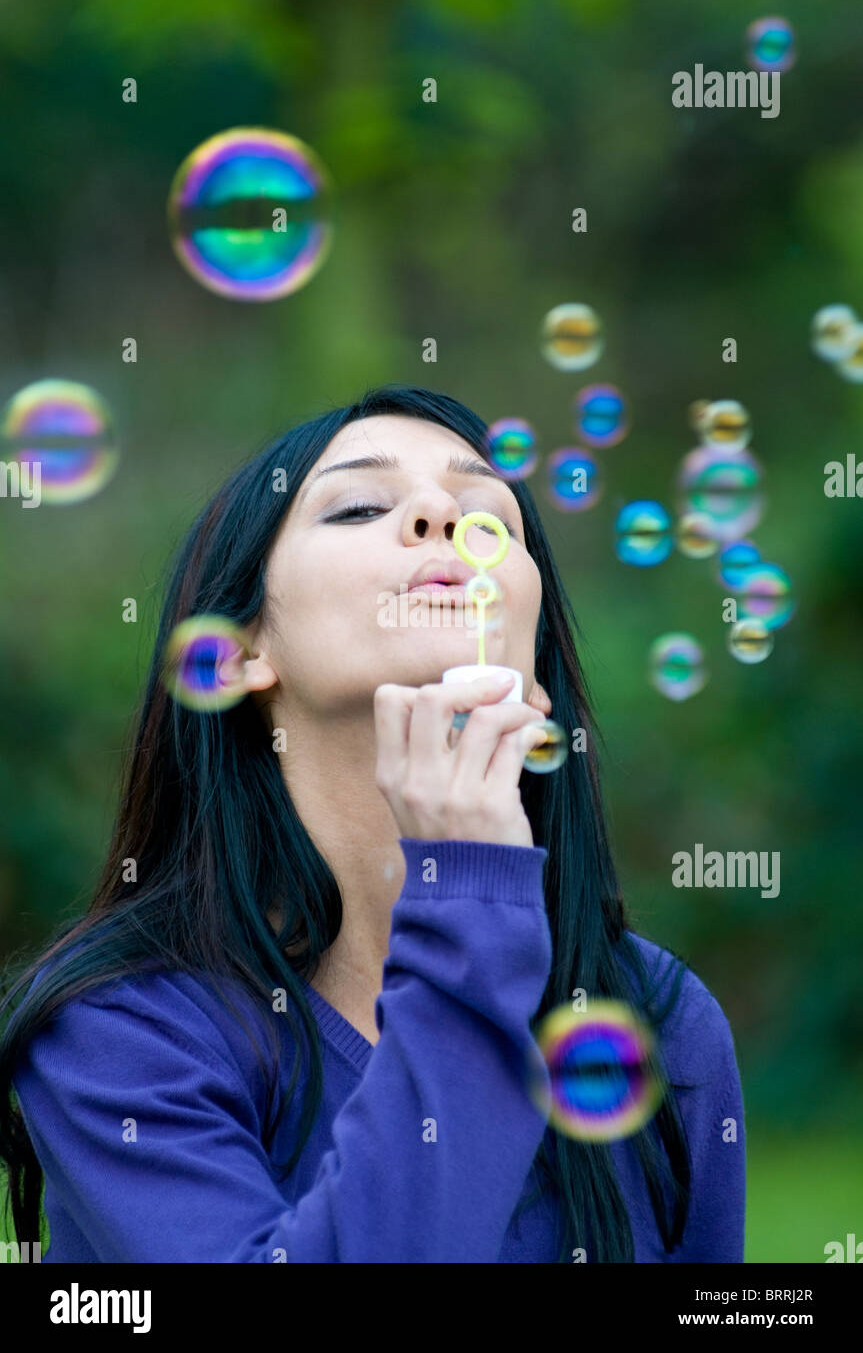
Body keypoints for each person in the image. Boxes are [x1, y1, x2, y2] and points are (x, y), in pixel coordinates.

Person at [0, 384, 745, 1263]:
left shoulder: (656, 1018)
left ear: (534, 678)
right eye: (359, 506)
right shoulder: (121, 1032)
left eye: (486, 516)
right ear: (237, 650)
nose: (439, 514)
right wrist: (464, 886)